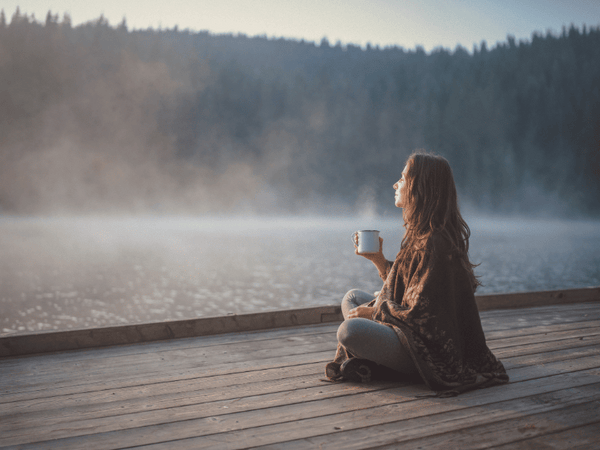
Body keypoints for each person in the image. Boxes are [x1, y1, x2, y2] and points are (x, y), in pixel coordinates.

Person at [325, 151, 508, 396]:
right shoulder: (419, 234)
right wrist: (378, 260)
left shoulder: (435, 242)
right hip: (408, 329)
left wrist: (375, 312)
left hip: (429, 351)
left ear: (420, 187)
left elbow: (422, 315)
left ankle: (385, 364)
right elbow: (409, 287)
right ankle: (374, 356)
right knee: (352, 297)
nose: (395, 184)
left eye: (402, 178)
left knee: (350, 331)